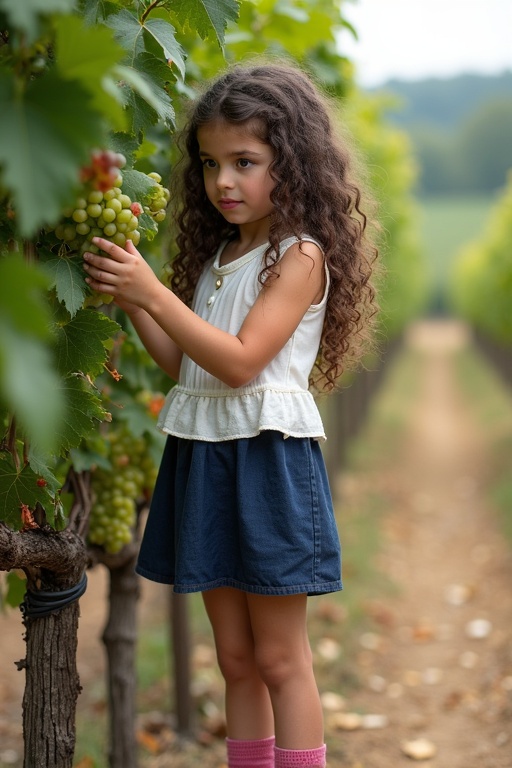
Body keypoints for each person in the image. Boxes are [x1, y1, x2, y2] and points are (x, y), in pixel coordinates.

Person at [83, 61, 378, 768]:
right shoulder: (220, 256)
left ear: (294, 160)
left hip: (269, 460)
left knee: (280, 659)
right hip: (204, 454)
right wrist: (133, 300)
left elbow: (242, 360)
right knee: (236, 658)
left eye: (246, 162)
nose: (224, 181)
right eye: (212, 163)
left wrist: (156, 296)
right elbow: (187, 366)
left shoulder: (299, 255)